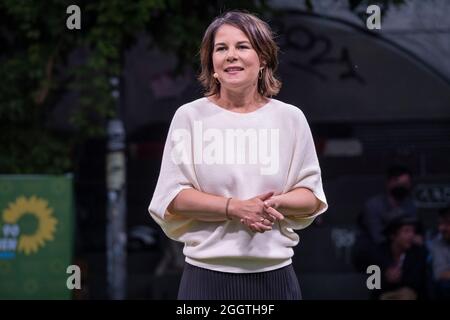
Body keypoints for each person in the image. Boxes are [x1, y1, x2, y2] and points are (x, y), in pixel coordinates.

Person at [148, 11, 328, 300]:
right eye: (222, 48)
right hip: (205, 279)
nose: (231, 55)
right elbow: (173, 198)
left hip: (276, 278)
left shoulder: (290, 118)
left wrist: (275, 203)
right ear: (212, 65)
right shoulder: (190, 117)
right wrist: (235, 207)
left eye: (242, 46)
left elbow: (311, 197)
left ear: (263, 59)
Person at [353, 164, 422, 271]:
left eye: (407, 184)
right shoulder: (373, 205)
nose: (404, 187)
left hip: (401, 246)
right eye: (401, 183)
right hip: (374, 248)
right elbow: (377, 236)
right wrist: (400, 239)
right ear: (390, 183)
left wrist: (411, 237)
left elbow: (414, 229)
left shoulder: (410, 205)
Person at [374, 214, 428, 300]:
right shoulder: (379, 252)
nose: (411, 235)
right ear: (392, 235)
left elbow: (418, 283)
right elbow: (373, 285)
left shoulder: (418, 252)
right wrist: (386, 277)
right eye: (406, 231)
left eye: (413, 231)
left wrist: (400, 277)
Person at [428, 206, 450, 299]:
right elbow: (441, 274)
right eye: (440, 223)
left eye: (447, 224)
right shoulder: (436, 243)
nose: (441, 228)